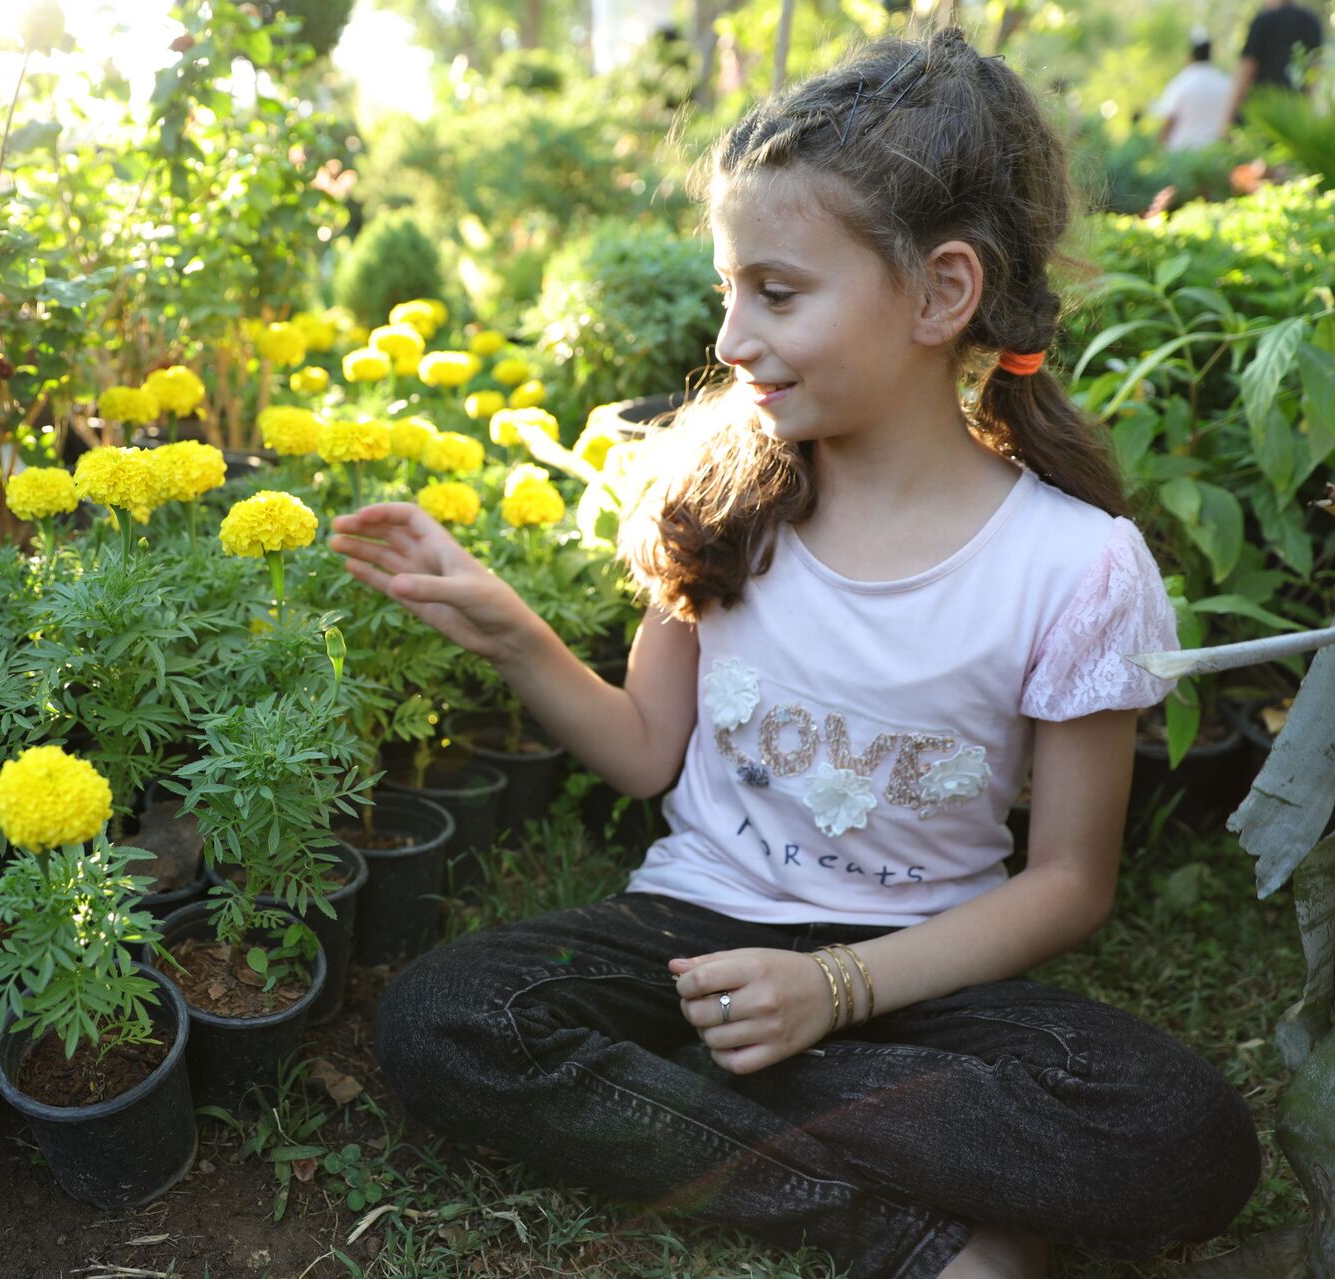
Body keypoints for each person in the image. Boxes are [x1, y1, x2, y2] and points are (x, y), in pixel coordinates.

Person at [329, 29, 1260, 1279]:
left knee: (1182, 1134)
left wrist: (833, 994)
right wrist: (511, 629)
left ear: (943, 293)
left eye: (776, 293)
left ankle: (694, 1093)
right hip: (689, 937)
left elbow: (1068, 885)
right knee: (445, 1020)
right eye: (729, 288)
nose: (729, 338)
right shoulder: (716, 495)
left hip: (921, 973)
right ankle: (904, 1231)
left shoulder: (1076, 567)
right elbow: (648, 756)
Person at [1225, 0, 1325, 123]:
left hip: (1261, 114)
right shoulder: (1312, 22)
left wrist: (1227, 119)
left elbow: (1247, 69)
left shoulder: (1263, 20)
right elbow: (1314, 73)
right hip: (1294, 115)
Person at [1150, 31, 1234, 150]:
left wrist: (1158, 149)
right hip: (1216, 152)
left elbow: (1169, 121)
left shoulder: (1181, 83)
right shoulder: (1226, 83)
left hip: (1182, 154)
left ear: (1190, 55)